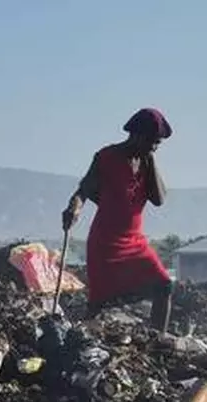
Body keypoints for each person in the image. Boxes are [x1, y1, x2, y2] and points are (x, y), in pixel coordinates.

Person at [62, 107, 174, 332]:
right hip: (105, 242)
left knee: (164, 285)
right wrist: (73, 207)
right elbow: (84, 190)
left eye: (157, 144)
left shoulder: (146, 163)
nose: (154, 147)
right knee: (99, 303)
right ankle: (78, 340)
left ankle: (157, 340)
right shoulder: (106, 157)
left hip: (135, 243)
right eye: (151, 142)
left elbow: (159, 199)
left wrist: (151, 160)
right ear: (136, 135)